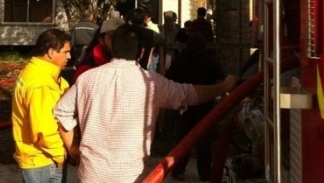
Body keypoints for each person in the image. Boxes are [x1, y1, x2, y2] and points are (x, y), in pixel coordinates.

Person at [54, 24, 237, 183]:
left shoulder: (87, 79)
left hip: (91, 174)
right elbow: (188, 94)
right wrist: (224, 86)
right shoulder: (151, 82)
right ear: (142, 52)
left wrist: (73, 149)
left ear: (113, 47)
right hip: (130, 175)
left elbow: (62, 112)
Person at [12, 28, 72, 183]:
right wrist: (60, 155)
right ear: (51, 52)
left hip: (37, 158)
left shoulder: (35, 72)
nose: (69, 56)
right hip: (43, 160)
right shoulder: (41, 83)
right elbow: (43, 128)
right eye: (65, 52)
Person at [166, 33, 226, 181]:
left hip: (184, 105)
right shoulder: (209, 60)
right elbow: (220, 79)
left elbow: (169, 78)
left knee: (182, 139)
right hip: (204, 105)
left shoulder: (180, 60)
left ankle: (179, 169)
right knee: (203, 140)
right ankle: (205, 173)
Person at [71, 12, 124, 84]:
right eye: (113, 37)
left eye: (123, 37)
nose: (118, 41)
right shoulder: (86, 70)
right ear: (101, 40)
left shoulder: (133, 65)